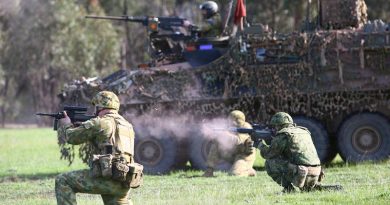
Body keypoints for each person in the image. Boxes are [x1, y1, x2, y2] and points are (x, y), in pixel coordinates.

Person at [55, 91, 139, 205]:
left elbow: (72, 138)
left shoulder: (100, 122)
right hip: (125, 180)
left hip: (107, 179)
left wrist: (66, 124)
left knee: (63, 180)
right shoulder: (127, 125)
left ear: (100, 107)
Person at [258, 112, 323, 193]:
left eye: (275, 126)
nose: (274, 129)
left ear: (279, 125)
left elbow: (269, 154)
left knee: (269, 162)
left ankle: (289, 189)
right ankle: (312, 186)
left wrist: (260, 145)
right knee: (308, 190)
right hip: (316, 172)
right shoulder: (304, 131)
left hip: (301, 172)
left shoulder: (284, 134)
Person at [203, 110, 256, 177]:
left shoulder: (246, 127)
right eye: (231, 120)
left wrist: (224, 134)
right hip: (232, 153)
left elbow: (238, 140)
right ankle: (209, 171)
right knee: (216, 145)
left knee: (235, 174)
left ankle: (249, 170)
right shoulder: (228, 126)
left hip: (243, 156)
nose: (233, 122)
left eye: (236, 120)